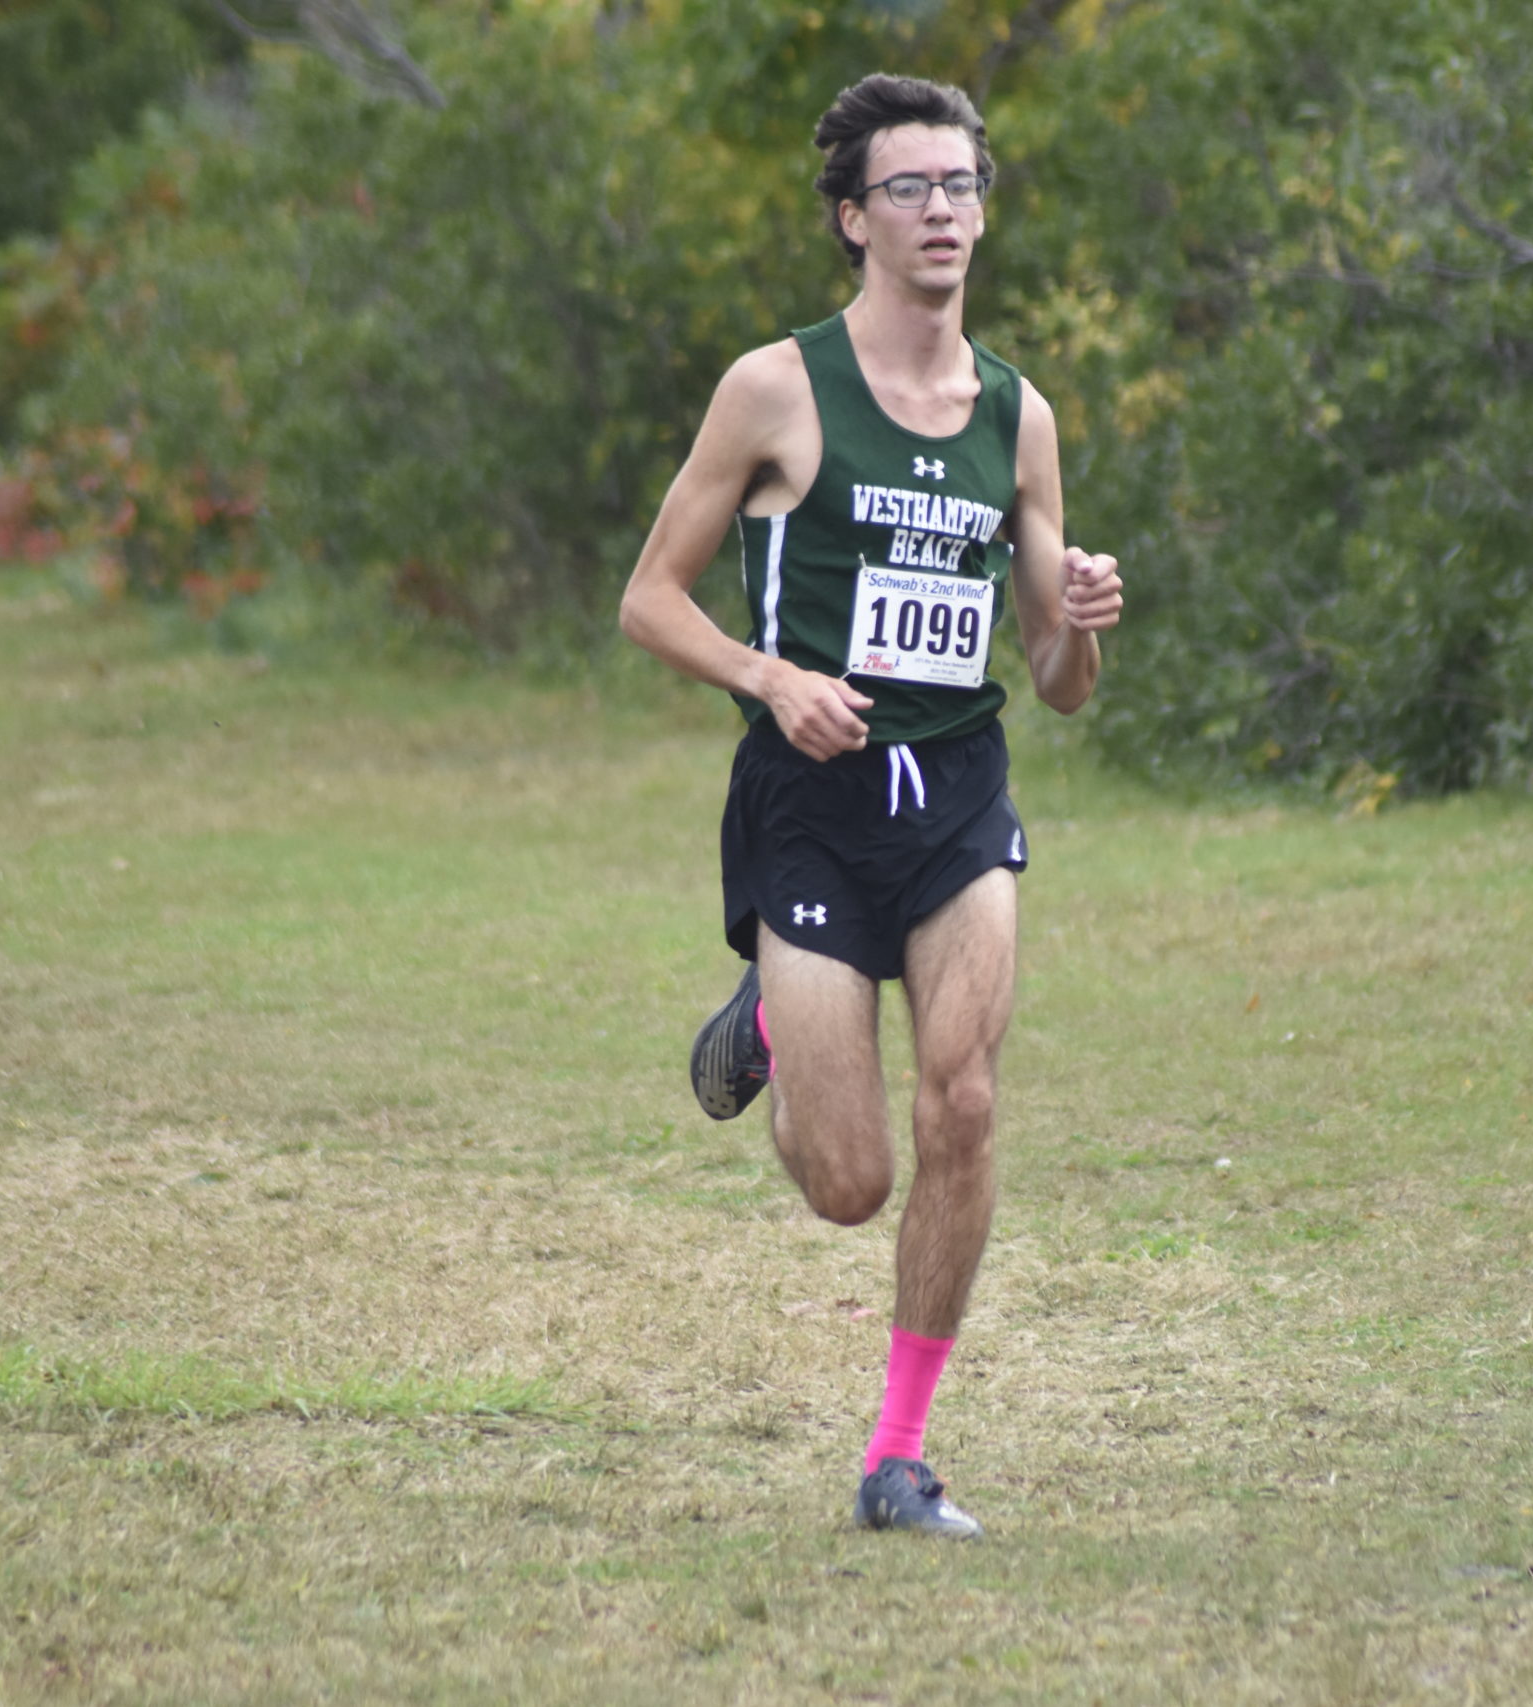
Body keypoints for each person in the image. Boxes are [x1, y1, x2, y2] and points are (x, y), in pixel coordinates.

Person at [619, 72, 1123, 1540]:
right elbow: (650, 600)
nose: (943, 212)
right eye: (910, 189)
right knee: (849, 1182)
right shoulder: (775, 388)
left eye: (961, 186)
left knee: (963, 1098)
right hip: (813, 796)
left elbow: (1055, 676)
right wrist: (771, 680)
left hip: (956, 787)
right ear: (854, 218)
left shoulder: (1018, 414)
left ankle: (898, 1458)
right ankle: (777, 1016)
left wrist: (1083, 614)